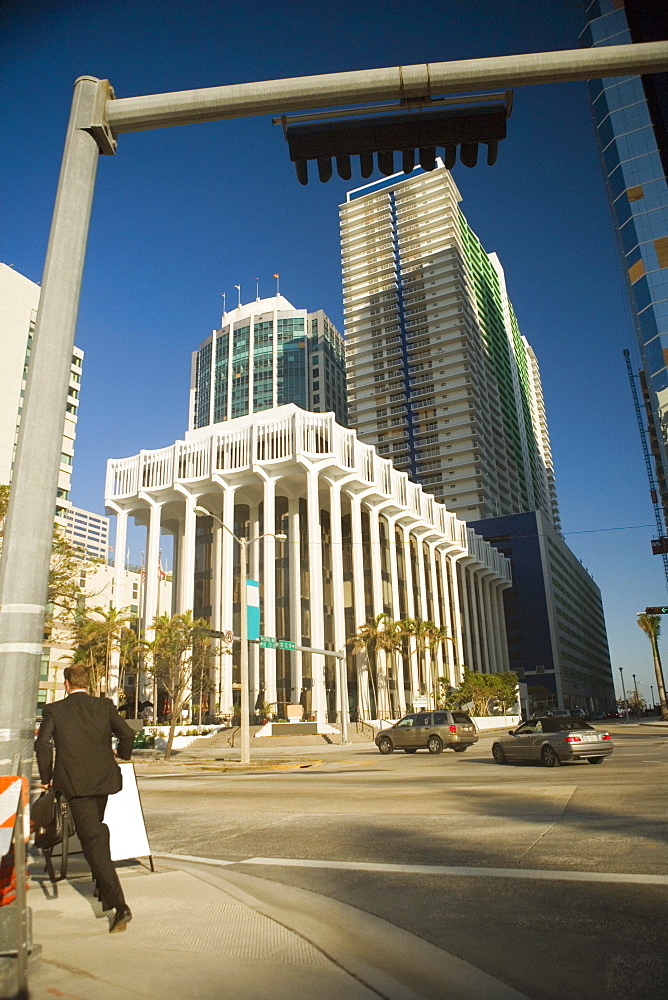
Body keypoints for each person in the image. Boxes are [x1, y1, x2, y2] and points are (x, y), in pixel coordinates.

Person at [34, 664, 135, 933]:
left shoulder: (55, 710)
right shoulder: (104, 706)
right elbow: (127, 733)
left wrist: (46, 778)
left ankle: (119, 905)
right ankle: (102, 887)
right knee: (96, 834)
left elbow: (42, 744)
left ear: (67, 684)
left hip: (75, 786)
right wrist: (122, 755)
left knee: (93, 839)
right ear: (87, 684)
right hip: (103, 782)